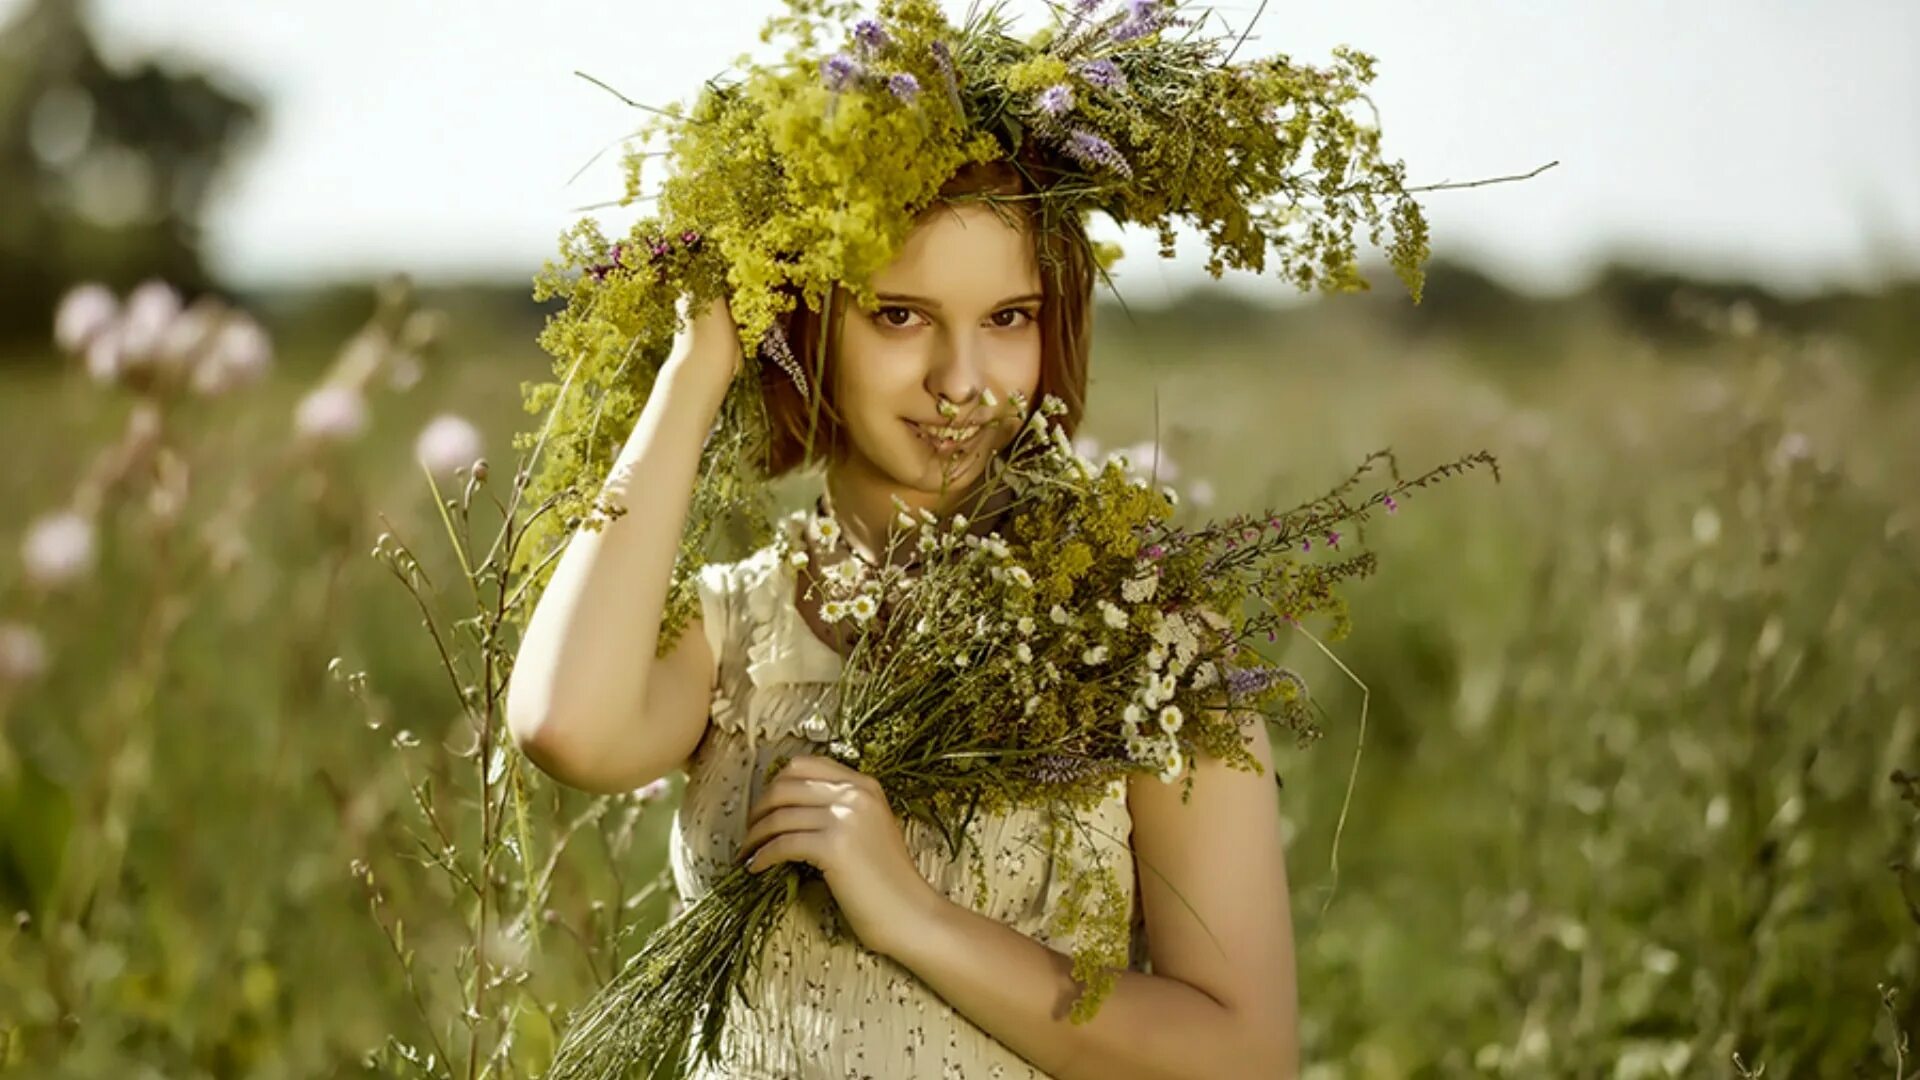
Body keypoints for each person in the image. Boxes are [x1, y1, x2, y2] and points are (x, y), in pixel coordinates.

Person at [507, 157, 1300, 1079]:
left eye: (1009, 318)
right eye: (900, 315)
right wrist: (701, 361)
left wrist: (916, 918)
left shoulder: (1142, 642)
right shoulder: (738, 624)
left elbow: (1245, 1056)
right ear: (802, 321)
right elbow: (565, 727)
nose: (960, 382)